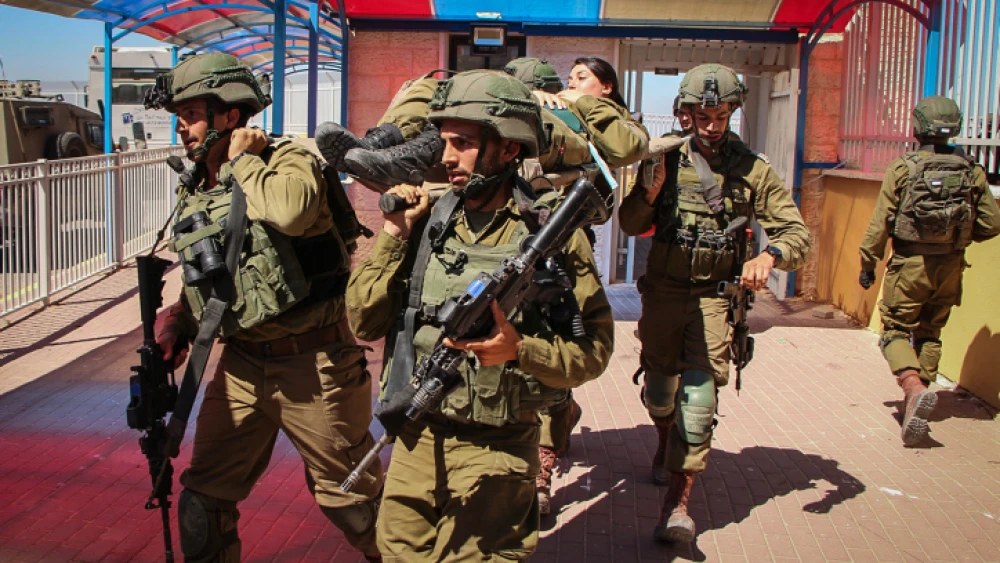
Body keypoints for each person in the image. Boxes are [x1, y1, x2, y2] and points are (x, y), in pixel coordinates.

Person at [346, 69, 614, 561]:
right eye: (443, 141)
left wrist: (520, 351)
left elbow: (593, 353)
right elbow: (362, 321)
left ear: (508, 149)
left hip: (498, 445)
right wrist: (393, 235)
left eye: (463, 143)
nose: (446, 157)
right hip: (414, 435)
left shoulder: (550, 231)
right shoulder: (427, 221)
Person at [147, 53, 383, 562]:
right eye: (179, 115)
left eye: (190, 114)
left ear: (229, 115)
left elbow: (292, 213)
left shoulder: (285, 159)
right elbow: (209, 276)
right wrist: (179, 324)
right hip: (241, 366)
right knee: (202, 503)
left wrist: (243, 159)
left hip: (314, 365)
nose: (181, 126)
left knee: (354, 505)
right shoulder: (197, 186)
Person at [618, 63, 811, 543]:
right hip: (662, 295)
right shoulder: (661, 159)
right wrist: (650, 191)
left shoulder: (752, 168)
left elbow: (797, 234)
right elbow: (627, 223)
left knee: (698, 398)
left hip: (714, 298)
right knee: (661, 394)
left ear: (732, 113)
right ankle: (667, 445)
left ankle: (678, 506)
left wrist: (771, 255)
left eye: (721, 115)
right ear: (684, 113)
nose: (711, 124)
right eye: (701, 115)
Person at [858, 95, 1000, 446]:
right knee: (930, 334)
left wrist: (867, 263)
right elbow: (991, 223)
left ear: (918, 126)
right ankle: (916, 403)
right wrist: (960, 238)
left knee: (894, 332)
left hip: (910, 266)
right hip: (951, 265)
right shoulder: (972, 170)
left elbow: (880, 225)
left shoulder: (904, 168)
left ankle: (911, 385)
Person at [316, 56, 648, 189]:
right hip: (523, 114)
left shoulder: (615, 114)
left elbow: (626, 149)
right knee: (439, 85)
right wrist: (530, 95)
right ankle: (378, 143)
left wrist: (583, 102)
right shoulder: (549, 98)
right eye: (571, 78)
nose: (573, 84)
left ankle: (399, 162)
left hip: (559, 140)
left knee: (482, 111)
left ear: (607, 86)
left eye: (582, 77)